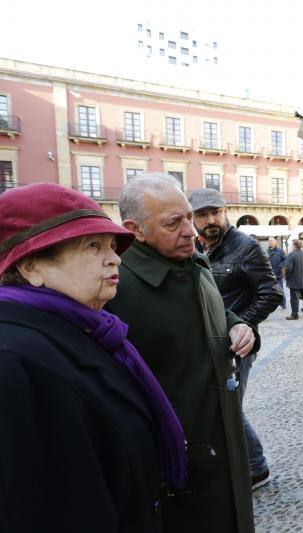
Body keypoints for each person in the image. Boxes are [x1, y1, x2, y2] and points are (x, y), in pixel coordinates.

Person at [0, 183, 186, 532]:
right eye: (92, 245)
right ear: (31, 267)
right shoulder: (13, 360)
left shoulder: (89, 330)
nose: (115, 257)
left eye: (113, 246)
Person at [106, 174, 257, 533]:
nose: (192, 230)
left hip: (225, 443)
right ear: (135, 230)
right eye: (174, 223)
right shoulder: (116, 287)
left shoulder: (192, 261)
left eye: (189, 216)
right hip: (179, 468)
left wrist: (237, 324)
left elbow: (212, 308)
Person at [188, 188, 282, 490]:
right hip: (212, 344)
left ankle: (256, 468)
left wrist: (239, 324)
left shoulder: (246, 247)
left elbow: (272, 293)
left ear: (225, 210)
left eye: (216, 212)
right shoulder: (200, 247)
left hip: (238, 346)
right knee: (222, 406)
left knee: (228, 408)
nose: (211, 219)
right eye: (203, 214)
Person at [284, 238, 303, 320]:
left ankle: (295, 314)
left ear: (294, 246)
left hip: (294, 280)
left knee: (294, 298)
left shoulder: (291, 255)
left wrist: (287, 276)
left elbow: (288, 268)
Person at [267, 237, 287, 309]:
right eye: (269, 241)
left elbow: (285, 260)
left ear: (275, 242)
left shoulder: (280, 251)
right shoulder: (266, 252)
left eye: (271, 241)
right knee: (269, 291)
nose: (270, 242)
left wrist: (280, 266)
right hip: (269, 274)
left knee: (280, 289)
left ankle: (283, 304)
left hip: (278, 274)